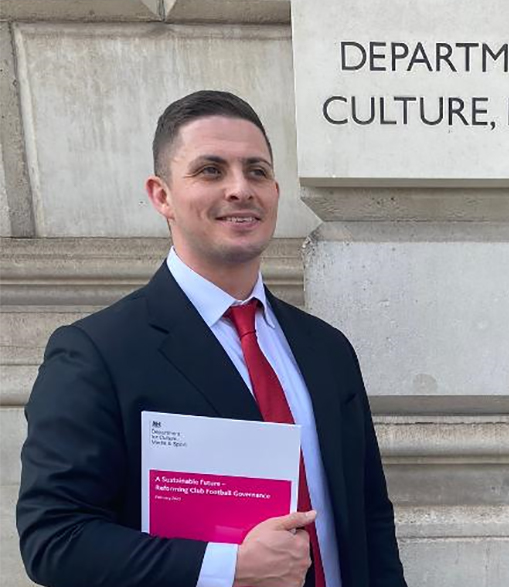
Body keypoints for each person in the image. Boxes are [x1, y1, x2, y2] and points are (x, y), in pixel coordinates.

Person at [17, 90, 407, 587]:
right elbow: (55, 539)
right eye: (211, 170)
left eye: (257, 171)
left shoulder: (326, 349)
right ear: (162, 196)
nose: (241, 188)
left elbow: (370, 512)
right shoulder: (96, 353)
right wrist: (228, 569)